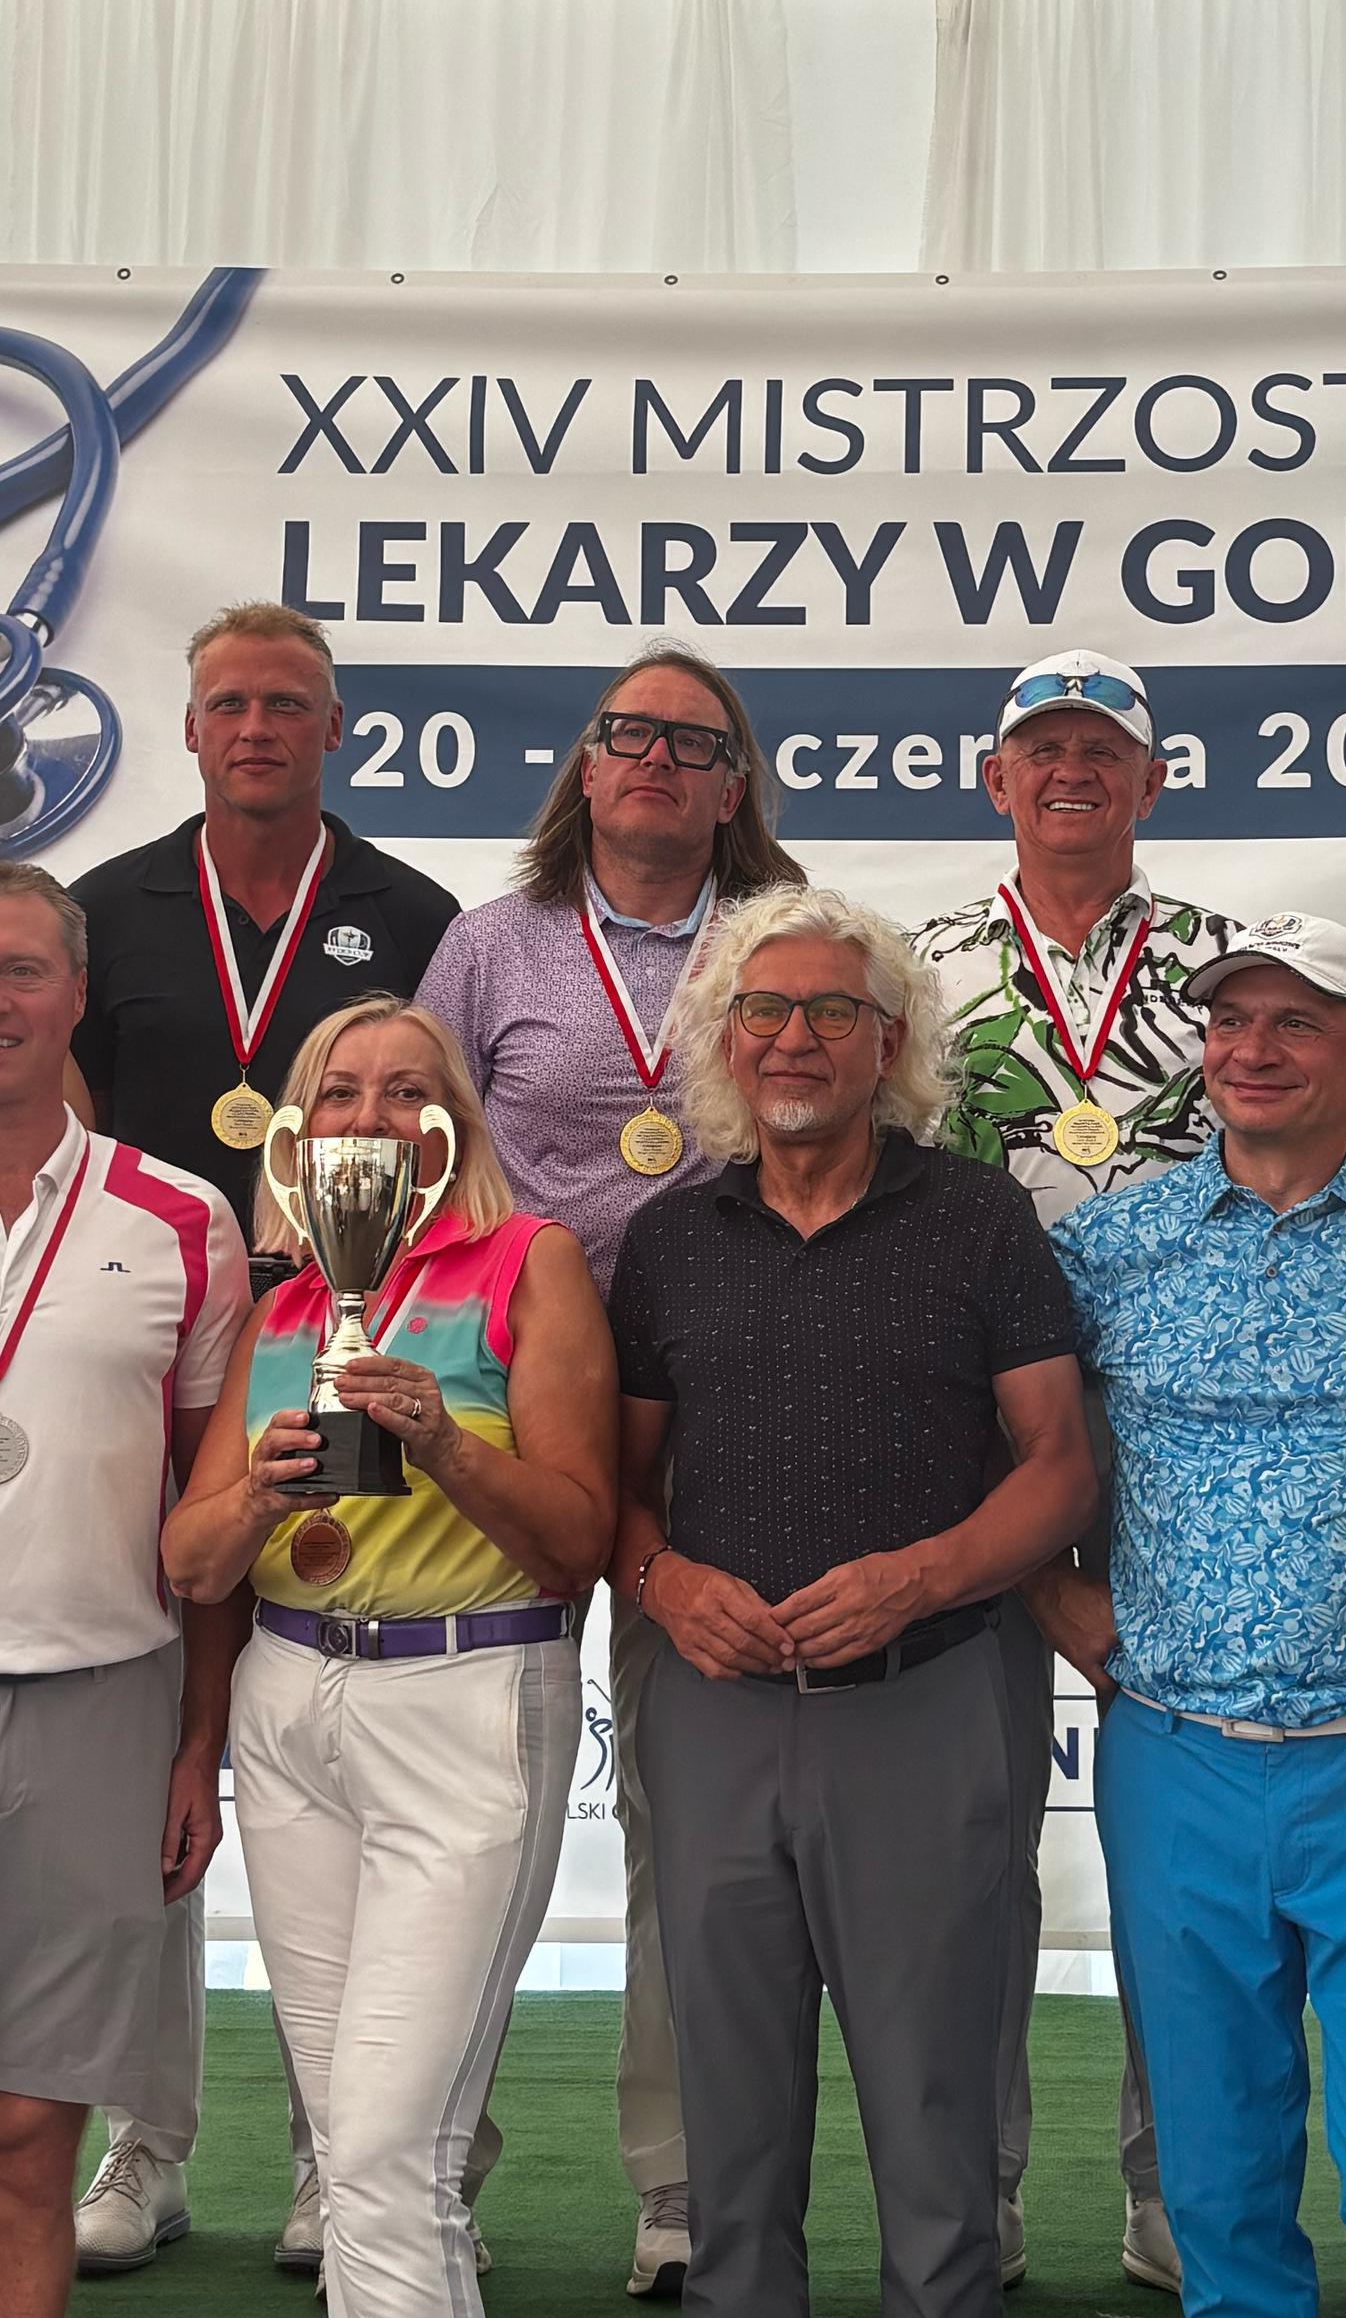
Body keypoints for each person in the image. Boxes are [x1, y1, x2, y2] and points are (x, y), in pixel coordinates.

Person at [608, 884, 1097, 2318]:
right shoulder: (669, 1239)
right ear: (724, 1040)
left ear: (890, 1044)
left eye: (835, 1011)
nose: (796, 1038)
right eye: (764, 1010)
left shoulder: (979, 1219)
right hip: (714, 1707)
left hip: (926, 1699)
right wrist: (663, 1581)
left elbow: (1059, 1470)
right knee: (730, 2105)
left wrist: (919, 1577)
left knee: (936, 2104)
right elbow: (616, 1494)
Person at [64, 601, 462, 2277]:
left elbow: (445, 1133)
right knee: (144, 1765)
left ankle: (334, 2152)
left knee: (336, 1755)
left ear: (335, 729)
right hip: (151, 1365)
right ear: (189, 727)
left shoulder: (416, 915)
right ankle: (145, 2144)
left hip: (339, 1355)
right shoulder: (106, 909)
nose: (255, 728)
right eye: (229, 702)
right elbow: (72, 1134)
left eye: (287, 704)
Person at [416, 643, 804, 2298]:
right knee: (461, 1801)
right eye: (625, 734)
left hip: (713, 1415)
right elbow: (417, 1148)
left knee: (681, 1810)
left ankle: (678, 2178)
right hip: (501, 1414)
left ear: (734, 785)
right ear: (585, 769)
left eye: (690, 742)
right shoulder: (491, 942)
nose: (652, 758)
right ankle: (414, 2163)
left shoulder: (783, 942)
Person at [1046, 911, 1346, 2318]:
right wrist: (1058, 1597)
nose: (1254, 1048)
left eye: (1298, 1021)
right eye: (1231, 1021)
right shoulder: (1109, 1244)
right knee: (1217, 2178)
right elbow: (1010, 1445)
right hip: (1175, 1753)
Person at [162, 994, 617, 2318]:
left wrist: (446, 1445)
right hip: (288, 1702)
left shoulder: (528, 1261)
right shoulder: (287, 1309)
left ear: (452, 1125)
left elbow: (577, 1542)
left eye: (409, 1089)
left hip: (467, 1690)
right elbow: (192, 1562)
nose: (374, 1114)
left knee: (386, 2148)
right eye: (342, 1089)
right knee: (344, 2146)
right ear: (297, 1137)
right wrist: (263, 1494)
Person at [912, 647, 1244, 2296]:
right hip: (974, 1444)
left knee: (1187, 1859)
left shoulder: (1224, 967)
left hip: (1189, 1445)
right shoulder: (919, 971)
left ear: (1150, 782)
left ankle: (1181, 2193)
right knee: (971, 1847)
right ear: (995, 778)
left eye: (1101, 750)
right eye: (1040, 748)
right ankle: (974, 2200)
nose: (1070, 772)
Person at [0, 863, 250, 2318]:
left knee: (31, 2133)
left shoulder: (179, 1217)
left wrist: (199, 1740)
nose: (0, 998)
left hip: (99, 1700)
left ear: (78, 995)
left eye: (23, 969)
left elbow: (210, 1518)